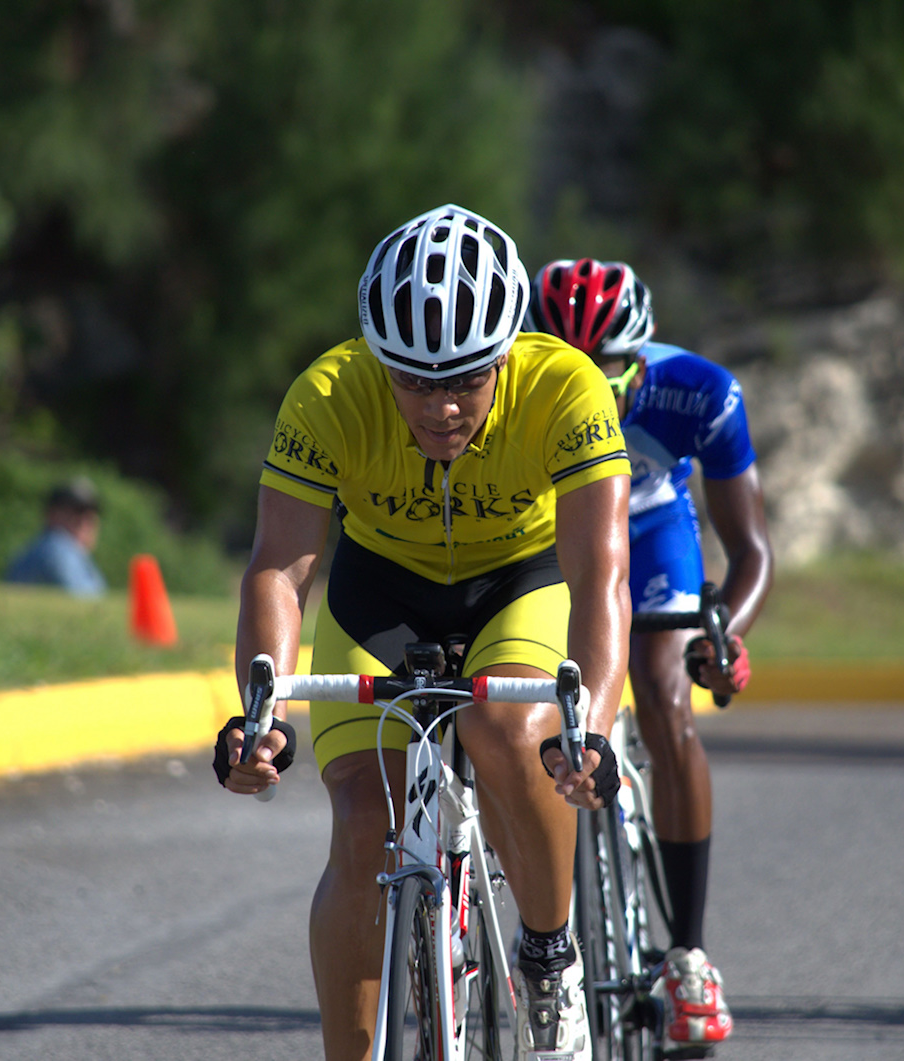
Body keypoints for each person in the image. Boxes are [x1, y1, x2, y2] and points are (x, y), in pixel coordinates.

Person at [217, 205, 631, 1061]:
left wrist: (590, 727)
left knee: (507, 731)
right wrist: (259, 716)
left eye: (469, 379)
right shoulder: (328, 395)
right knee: (362, 818)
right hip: (383, 592)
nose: (442, 406)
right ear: (378, 361)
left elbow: (602, 575)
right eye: (412, 381)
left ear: (507, 353)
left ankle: (549, 963)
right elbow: (279, 567)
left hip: (519, 581)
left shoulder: (566, 386)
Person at [528, 258, 773, 1047]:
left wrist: (723, 633)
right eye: (570, 371)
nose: (588, 392)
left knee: (667, 700)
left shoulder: (701, 393)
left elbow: (752, 550)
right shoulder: (509, 388)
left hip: (651, 524)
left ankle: (689, 955)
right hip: (556, 530)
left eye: (607, 375)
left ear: (642, 357)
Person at [3, 476, 108, 597]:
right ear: (52, 514)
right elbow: (85, 598)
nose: (84, 521)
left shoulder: (64, 550)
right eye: (76, 511)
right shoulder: (55, 548)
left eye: (90, 514)